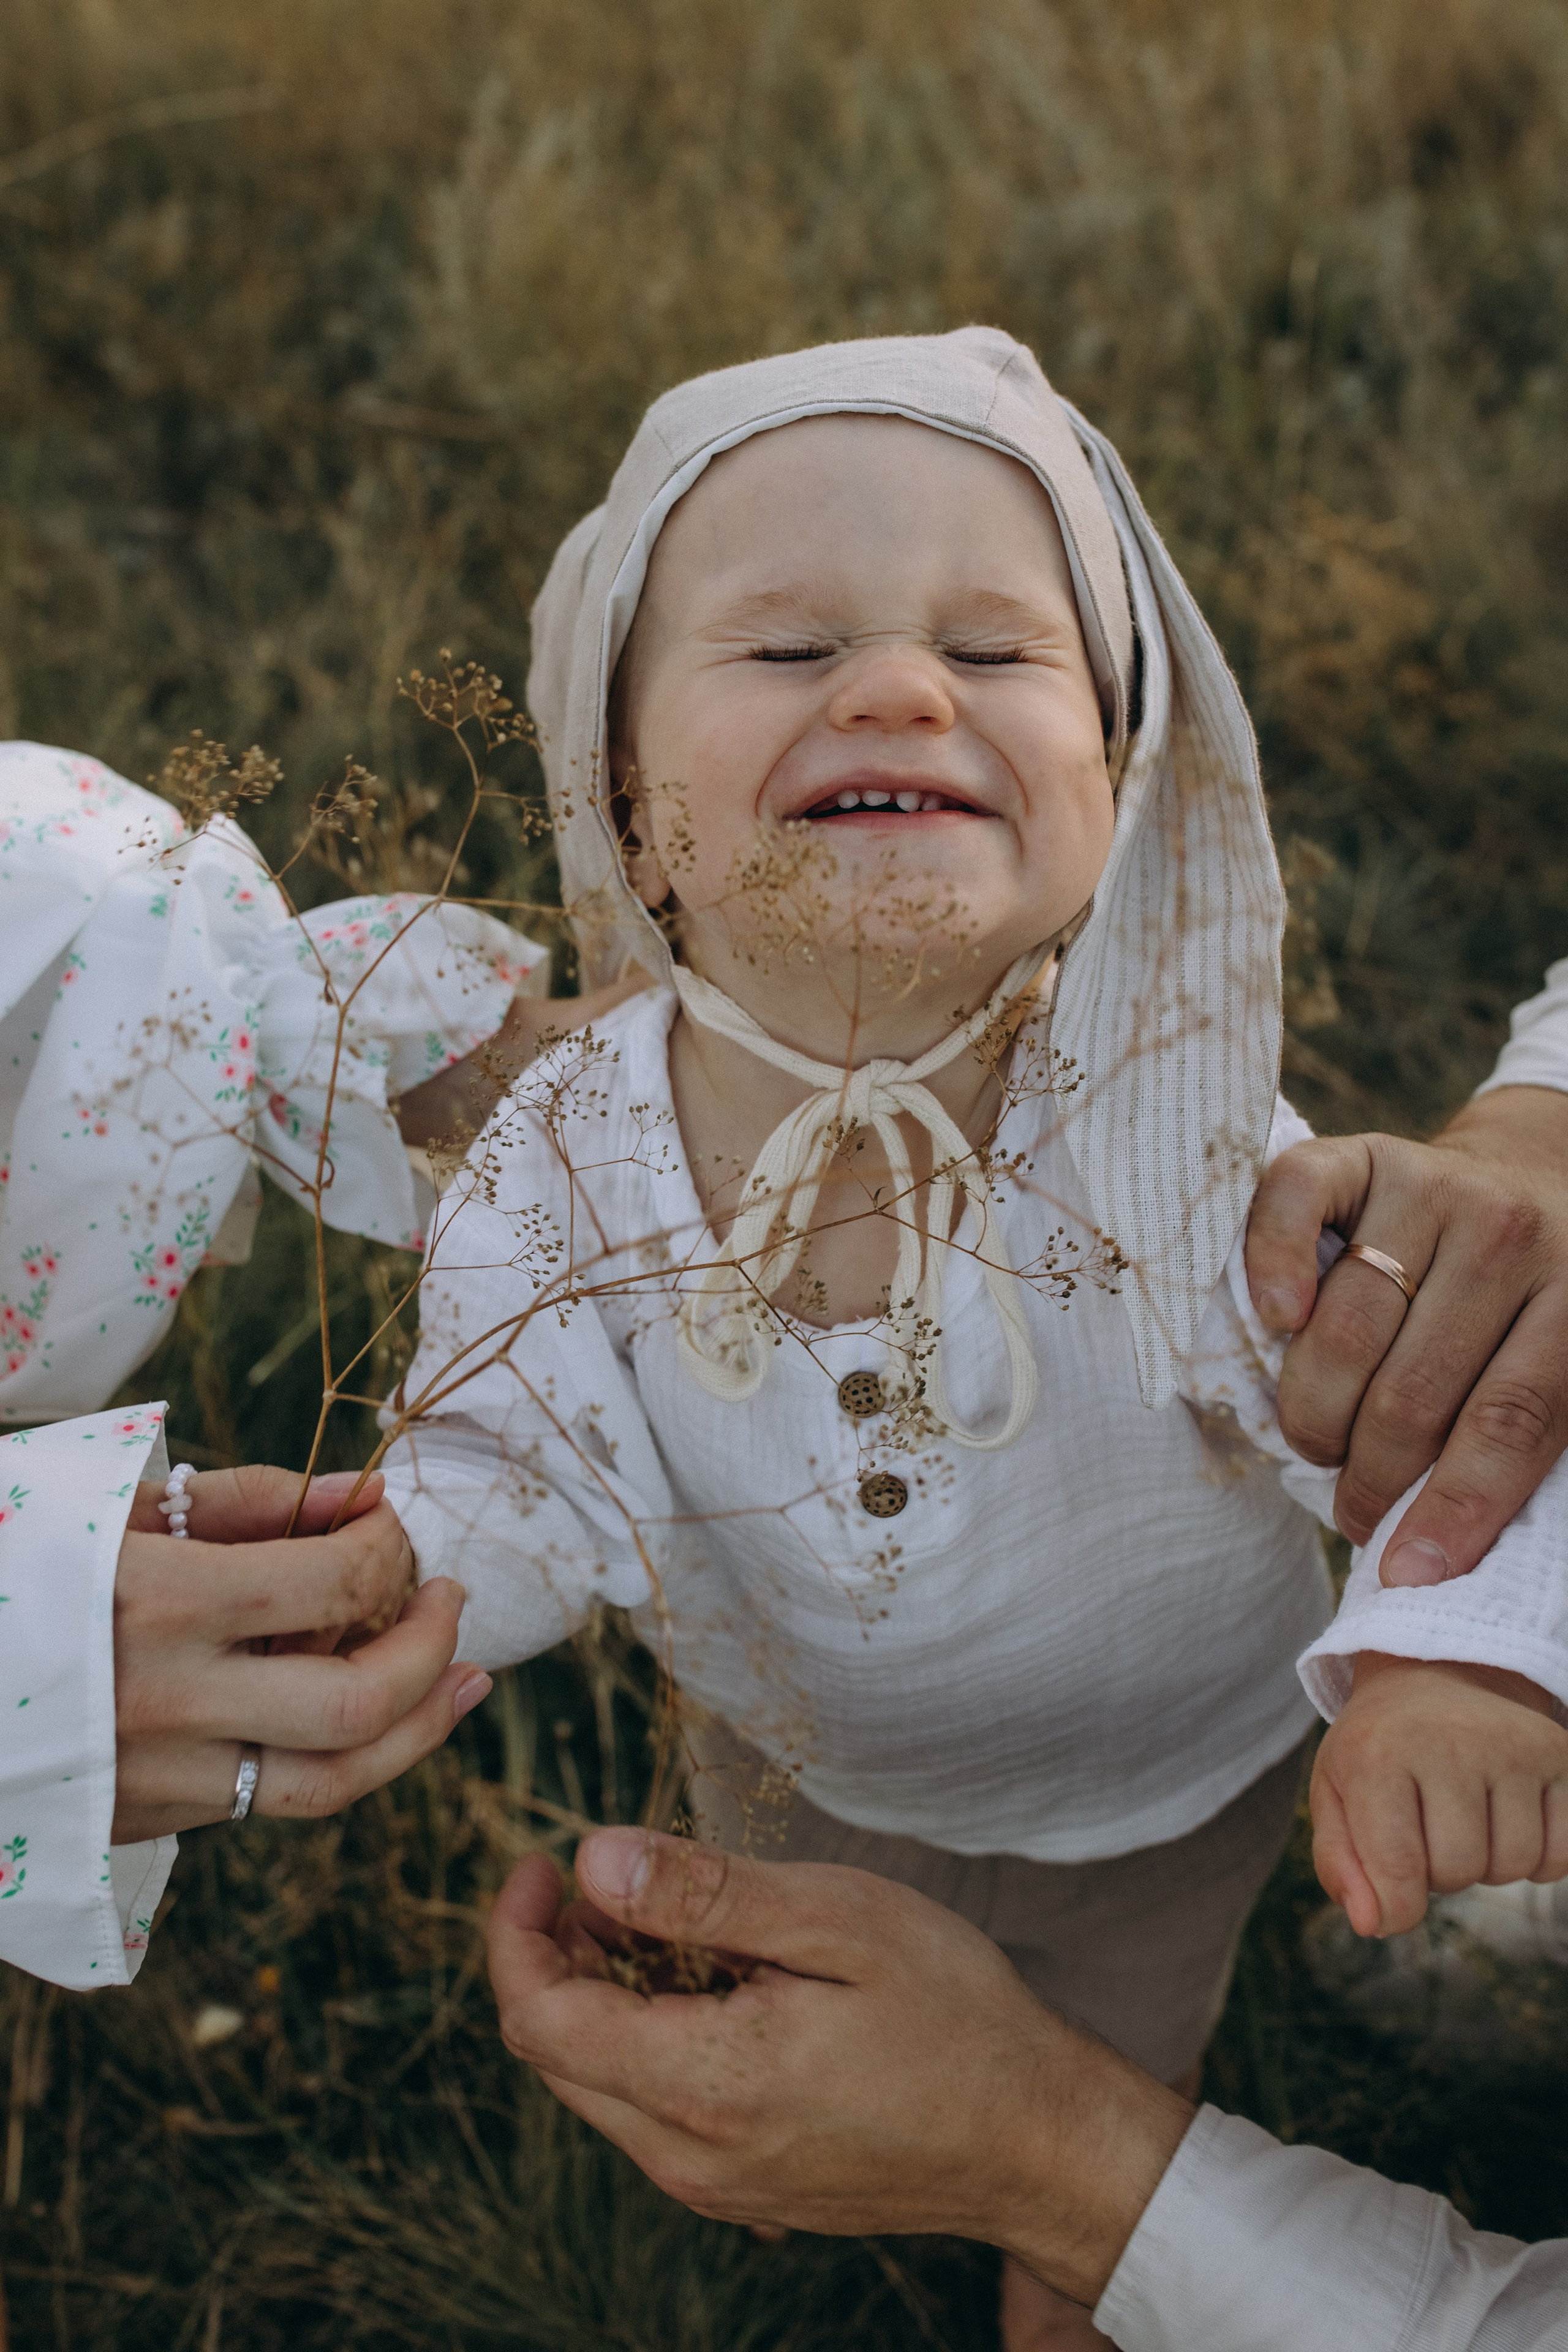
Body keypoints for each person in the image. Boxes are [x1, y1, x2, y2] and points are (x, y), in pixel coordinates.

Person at [376, 328, 1568, 2345]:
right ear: (635, 826)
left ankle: (1080, 2265)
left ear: (1122, 798)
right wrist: (402, 1590)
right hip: (795, 1745)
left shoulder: (1191, 1143)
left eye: (1004, 657)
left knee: (1101, 2051)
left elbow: (1436, 1429)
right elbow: (511, 1457)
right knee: (776, 1985)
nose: (902, 686)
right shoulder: (568, 1152)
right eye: (783, 649)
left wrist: (1455, 1668)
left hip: (1161, 1787)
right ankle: (802, 2147)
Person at [486, 1825, 1568, 2352]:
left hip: (1168, 1801)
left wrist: (1067, 2177)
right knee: (774, 1988)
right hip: (821, 1768)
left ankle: (1070, 2301)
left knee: (1137, 2022)